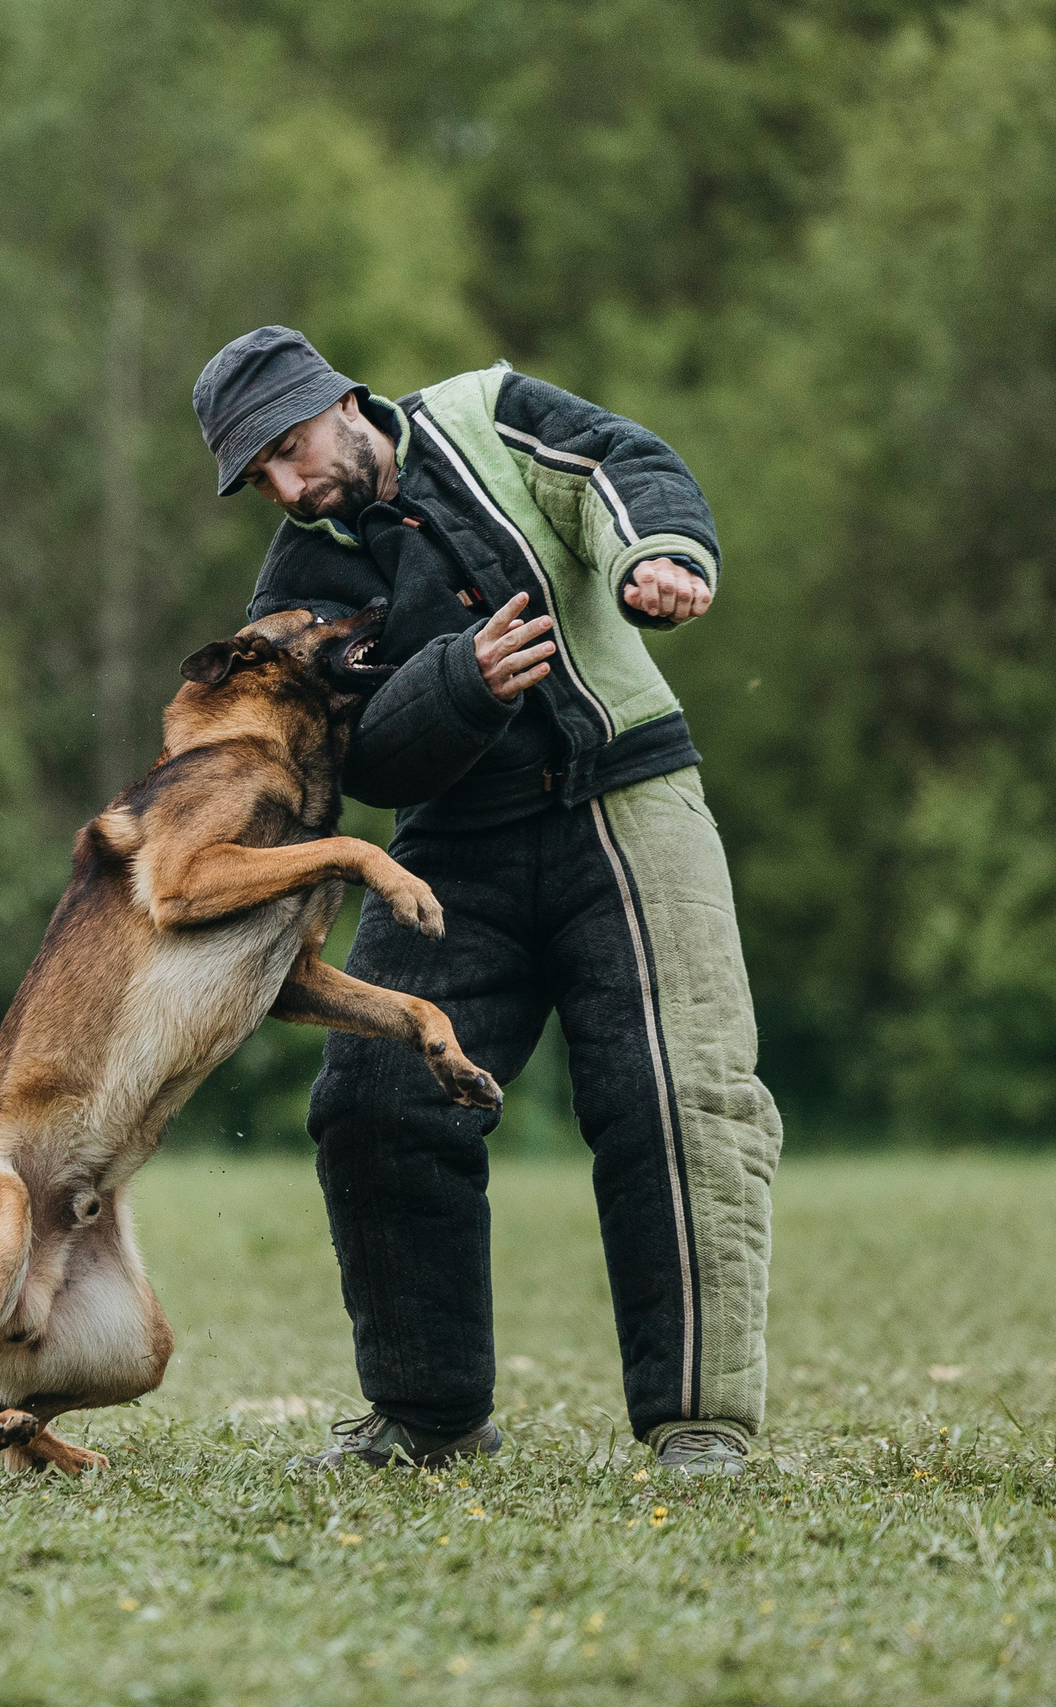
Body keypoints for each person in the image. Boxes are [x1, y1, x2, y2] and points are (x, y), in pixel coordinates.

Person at [191, 326, 782, 1476]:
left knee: (675, 1092)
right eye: (257, 473)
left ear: (337, 402)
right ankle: (427, 1414)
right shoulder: (298, 581)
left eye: (287, 448)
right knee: (372, 1099)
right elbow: (346, 760)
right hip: (448, 850)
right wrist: (457, 686)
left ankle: (697, 1421)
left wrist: (659, 557)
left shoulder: (487, 411)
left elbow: (621, 465)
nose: (284, 483)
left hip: (627, 798)